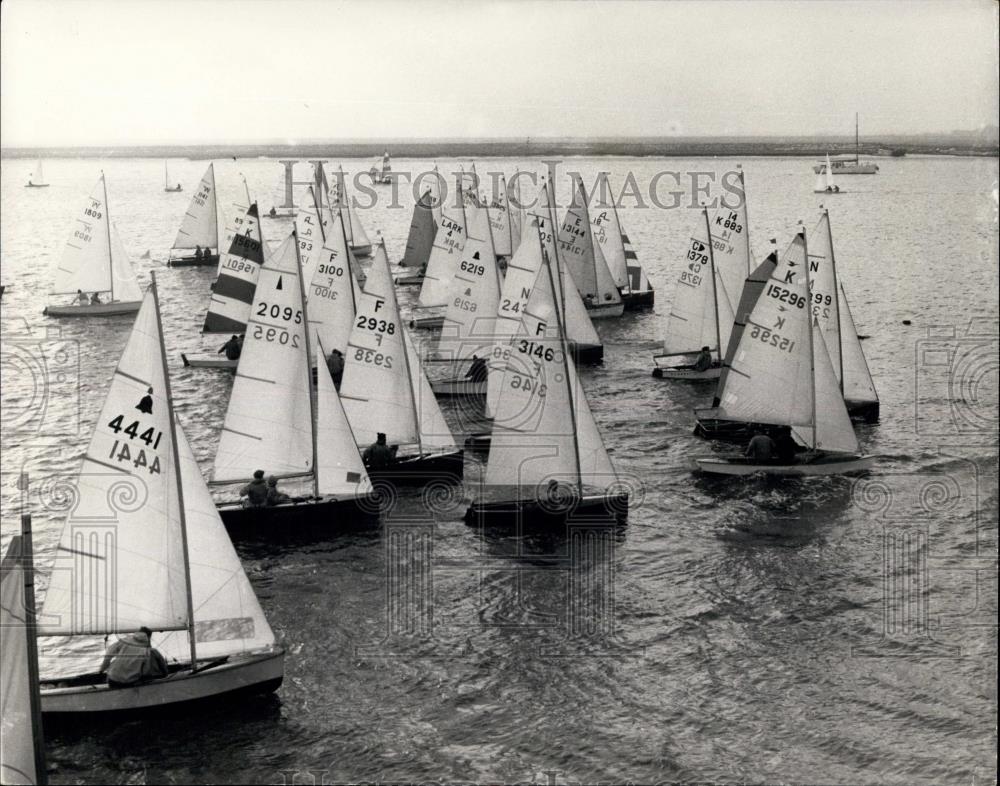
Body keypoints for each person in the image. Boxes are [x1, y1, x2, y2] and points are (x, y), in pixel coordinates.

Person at [100, 626, 168, 688]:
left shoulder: (124, 641)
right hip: (130, 682)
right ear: (149, 637)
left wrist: (102, 670)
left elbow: (108, 655)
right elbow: (146, 671)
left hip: (113, 679)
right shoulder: (147, 650)